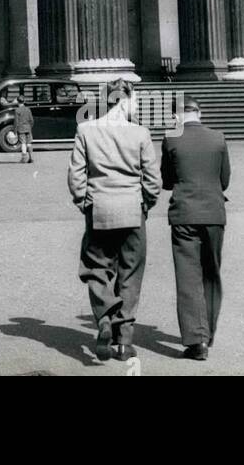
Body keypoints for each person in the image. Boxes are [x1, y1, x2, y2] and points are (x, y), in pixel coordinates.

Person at [67, 81, 161, 361]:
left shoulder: (86, 130)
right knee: (130, 273)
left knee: (96, 268)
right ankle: (124, 342)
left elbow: (76, 175)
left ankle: (105, 318)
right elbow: (153, 179)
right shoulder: (141, 132)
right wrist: (145, 203)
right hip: (133, 210)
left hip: (99, 208)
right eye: (135, 100)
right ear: (123, 100)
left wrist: (84, 202)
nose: (137, 106)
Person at [161, 96, 231, 361]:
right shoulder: (218, 138)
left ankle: (196, 340)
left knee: (188, 275)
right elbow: (224, 179)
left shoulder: (171, 139)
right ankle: (208, 332)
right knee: (211, 273)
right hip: (214, 212)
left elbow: (167, 180)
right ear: (199, 113)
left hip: (184, 214)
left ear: (176, 116)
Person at [14, 93, 34, 163]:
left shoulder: (17, 110)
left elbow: (16, 122)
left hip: (21, 129)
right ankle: (31, 157)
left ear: (17, 102)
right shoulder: (28, 109)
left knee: (23, 143)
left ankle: (24, 158)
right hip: (28, 128)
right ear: (24, 101)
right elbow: (31, 120)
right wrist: (30, 127)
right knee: (29, 143)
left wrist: (15, 131)